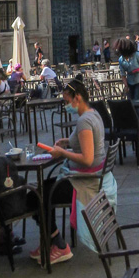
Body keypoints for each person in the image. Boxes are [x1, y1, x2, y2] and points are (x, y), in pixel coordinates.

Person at [31, 79, 107, 266]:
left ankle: (58, 244)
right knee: (42, 190)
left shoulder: (84, 121)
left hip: (83, 182)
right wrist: (67, 142)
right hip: (92, 177)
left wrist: (61, 152)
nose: (65, 106)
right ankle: (49, 241)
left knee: (36, 196)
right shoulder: (93, 113)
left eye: (66, 101)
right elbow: (85, 141)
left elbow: (87, 158)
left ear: (77, 98)